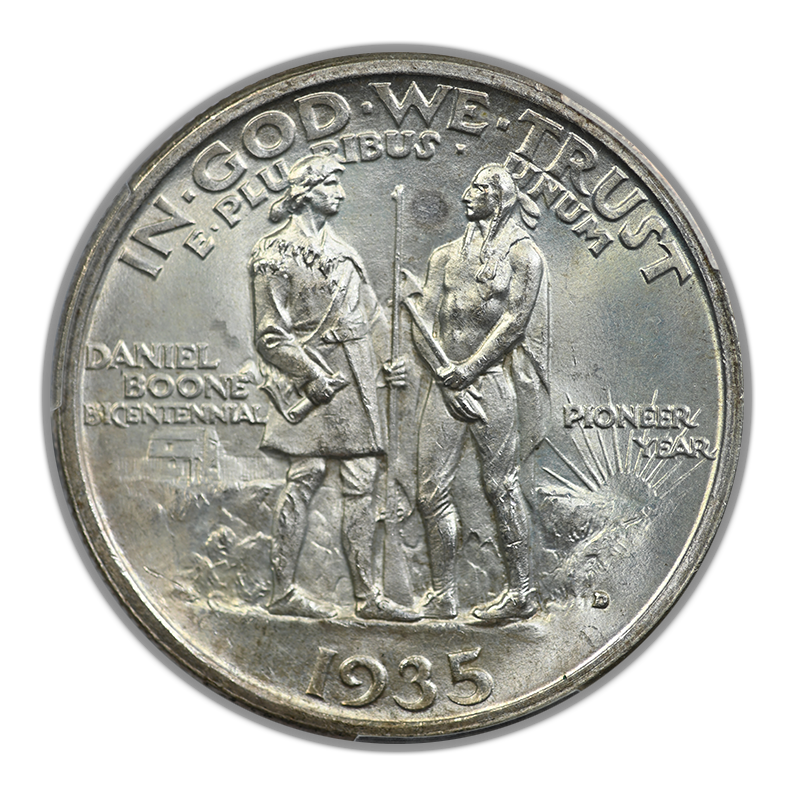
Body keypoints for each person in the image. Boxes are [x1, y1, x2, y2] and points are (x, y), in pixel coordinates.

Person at [250, 154, 417, 621]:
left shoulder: (345, 252)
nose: (341, 193)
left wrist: (389, 361)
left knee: (363, 481)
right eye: (330, 184)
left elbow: (372, 316)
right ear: (305, 192)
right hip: (314, 379)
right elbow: (269, 334)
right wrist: (311, 375)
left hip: (356, 380)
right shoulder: (273, 253)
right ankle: (282, 591)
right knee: (304, 478)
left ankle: (368, 597)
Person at [412, 163, 550, 621]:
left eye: (479, 188)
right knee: (429, 492)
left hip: (490, 382)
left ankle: (521, 594)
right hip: (445, 385)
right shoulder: (444, 256)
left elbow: (513, 322)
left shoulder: (524, 256)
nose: (467, 194)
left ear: (499, 197)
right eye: (470, 186)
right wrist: (445, 376)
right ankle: (443, 595)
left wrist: (467, 371)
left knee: (501, 485)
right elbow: (424, 320)